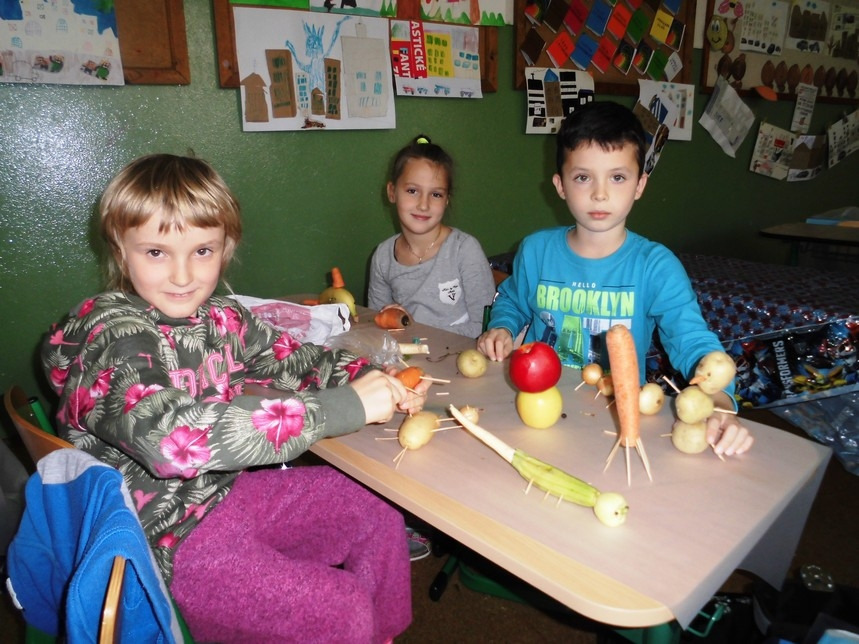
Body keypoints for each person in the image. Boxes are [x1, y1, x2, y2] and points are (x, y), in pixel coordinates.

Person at [40, 153, 429, 643]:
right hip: (162, 544)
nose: (182, 275)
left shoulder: (220, 316)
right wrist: (345, 407)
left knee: (377, 508)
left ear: (226, 247)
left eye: (202, 250)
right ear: (121, 246)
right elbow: (174, 441)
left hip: (224, 494)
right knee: (341, 609)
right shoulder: (111, 335)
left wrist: (373, 376)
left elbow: (294, 360)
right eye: (156, 252)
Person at [477, 102, 753, 457]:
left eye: (618, 177)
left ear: (640, 185)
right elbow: (513, 301)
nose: (600, 193)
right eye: (583, 177)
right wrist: (502, 326)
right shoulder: (535, 251)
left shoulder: (656, 266)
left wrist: (720, 404)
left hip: (616, 419)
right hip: (535, 407)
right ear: (560, 185)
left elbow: (693, 342)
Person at [368, 135, 496, 339]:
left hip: (461, 355)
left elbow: (486, 326)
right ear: (392, 192)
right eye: (412, 191)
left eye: (436, 194)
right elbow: (377, 324)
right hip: (408, 355)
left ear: (446, 200)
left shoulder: (464, 250)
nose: (423, 205)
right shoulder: (383, 256)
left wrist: (416, 331)